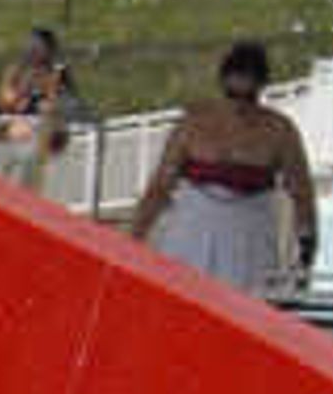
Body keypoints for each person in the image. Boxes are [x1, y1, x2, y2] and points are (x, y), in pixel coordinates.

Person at [130, 40, 318, 291]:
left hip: (250, 232)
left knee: (245, 307)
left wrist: (306, 248)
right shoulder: (194, 122)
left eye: (247, 96)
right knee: (187, 296)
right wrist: (135, 236)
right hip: (194, 226)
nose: (239, 106)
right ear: (223, 82)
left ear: (261, 87)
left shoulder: (279, 129)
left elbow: (301, 191)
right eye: (234, 94)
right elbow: (161, 185)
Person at [0, 26, 77, 183]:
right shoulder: (18, 71)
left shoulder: (56, 73)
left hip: (41, 128)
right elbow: (8, 102)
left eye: (38, 46)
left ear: (47, 49)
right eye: (31, 45)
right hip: (16, 122)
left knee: (18, 131)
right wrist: (22, 91)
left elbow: (52, 106)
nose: (32, 49)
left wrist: (45, 96)